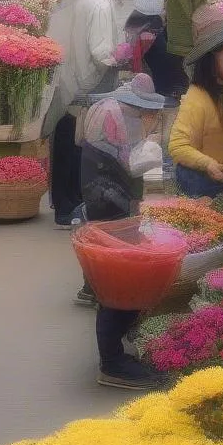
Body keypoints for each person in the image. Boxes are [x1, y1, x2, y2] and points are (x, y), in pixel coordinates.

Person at [79, 75, 173, 389]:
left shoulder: (110, 108)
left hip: (106, 202)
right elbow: (126, 162)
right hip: (108, 204)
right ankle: (112, 362)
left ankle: (115, 352)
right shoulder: (114, 114)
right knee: (119, 283)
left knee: (115, 280)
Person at [43, 0, 132, 227]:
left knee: (68, 142)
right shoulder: (101, 5)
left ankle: (65, 203)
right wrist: (121, 57)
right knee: (77, 146)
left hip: (75, 81)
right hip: (88, 85)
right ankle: (67, 207)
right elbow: (100, 51)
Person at [168, 21, 223, 197]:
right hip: (206, 184)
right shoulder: (197, 97)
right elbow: (178, 146)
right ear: (213, 56)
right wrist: (208, 164)